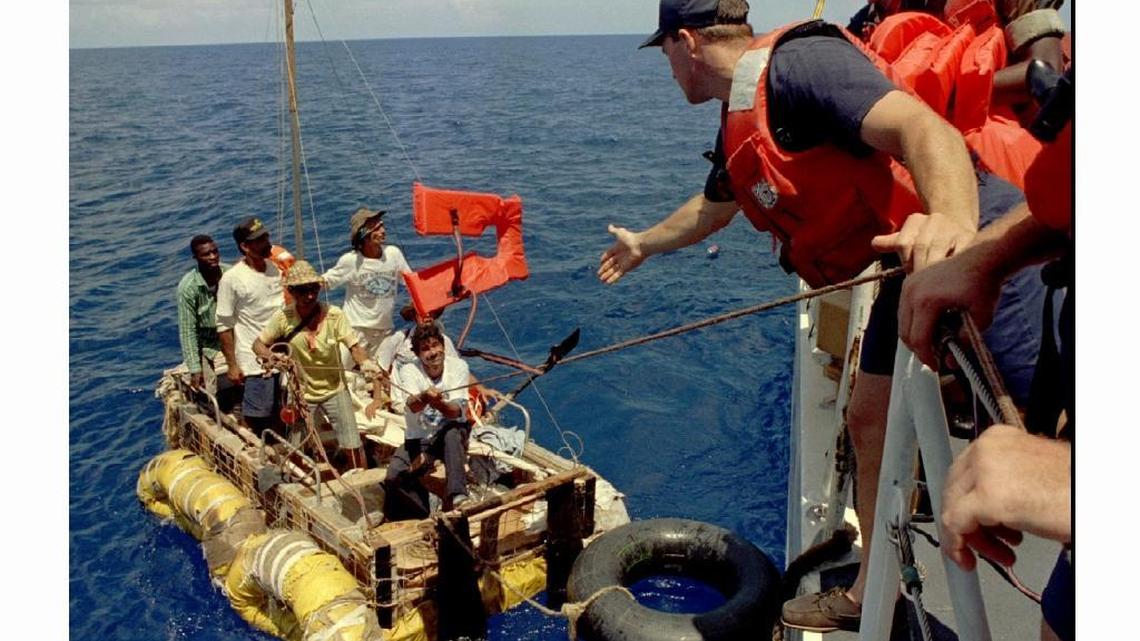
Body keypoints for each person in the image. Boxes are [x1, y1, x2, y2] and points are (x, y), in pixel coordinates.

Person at [599, 1, 1046, 632]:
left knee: (1048, 442)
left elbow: (927, 132)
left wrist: (952, 231)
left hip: (975, 248)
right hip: (904, 264)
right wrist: (645, 242)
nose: (668, 67)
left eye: (666, 51)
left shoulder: (799, 65)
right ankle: (872, 593)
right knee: (867, 418)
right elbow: (713, 209)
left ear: (687, 41)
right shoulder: (744, 114)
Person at [252, 260, 382, 472]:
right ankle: (296, 482)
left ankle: (363, 488)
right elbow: (258, 344)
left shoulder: (334, 315)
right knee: (297, 446)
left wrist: (365, 363)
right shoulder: (283, 318)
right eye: (303, 290)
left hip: (335, 389)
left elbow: (354, 346)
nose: (310, 295)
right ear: (292, 291)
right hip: (302, 393)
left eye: (314, 289)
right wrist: (271, 357)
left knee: (352, 444)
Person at [383, 323, 473, 520]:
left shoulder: (459, 367)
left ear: (443, 345)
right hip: (420, 437)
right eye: (425, 348)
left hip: (452, 431)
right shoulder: (408, 370)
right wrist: (425, 396)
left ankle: (458, 493)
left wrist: (438, 403)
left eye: (435, 345)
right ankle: (421, 513)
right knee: (394, 476)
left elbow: (455, 411)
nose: (433, 352)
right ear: (417, 354)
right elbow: (413, 405)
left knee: (452, 432)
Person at [216, 216, 286, 432]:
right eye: (259, 240)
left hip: (282, 355)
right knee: (257, 413)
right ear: (245, 247)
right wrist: (232, 364)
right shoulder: (232, 279)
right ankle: (251, 446)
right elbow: (223, 324)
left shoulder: (275, 269)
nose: (267, 243)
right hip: (254, 360)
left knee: (284, 408)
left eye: (266, 236)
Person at [323, 207, 413, 358]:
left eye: (382, 226)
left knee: (380, 377)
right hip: (355, 332)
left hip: (384, 332)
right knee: (343, 375)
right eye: (377, 228)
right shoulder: (350, 261)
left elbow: (411, 283)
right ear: (364, 236)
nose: (383, 231)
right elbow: (325, 282)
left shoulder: (394, 254)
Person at [177, 234, 230, 389]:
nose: (213, 257)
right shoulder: (188, 287)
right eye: (206, 254)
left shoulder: (230, 274)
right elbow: (188, 331)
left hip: (233, 334)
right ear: (196, 258)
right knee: (208, 388)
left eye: (215, 252)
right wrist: (194, 369)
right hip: (207, 344)